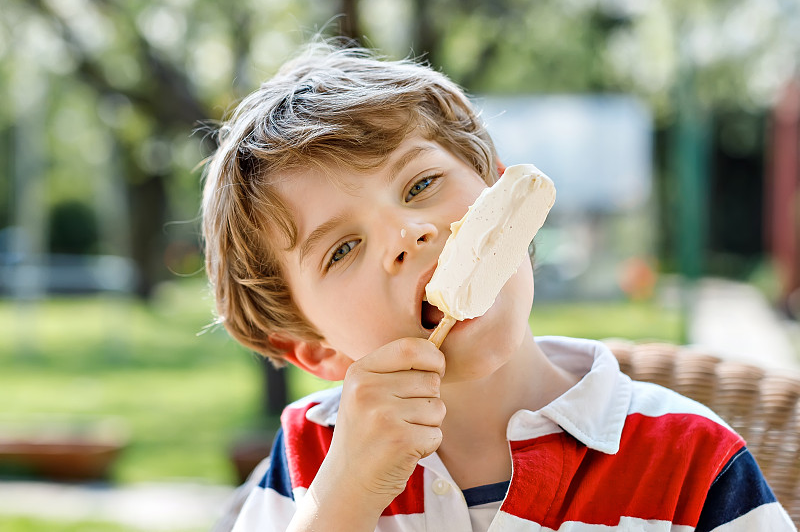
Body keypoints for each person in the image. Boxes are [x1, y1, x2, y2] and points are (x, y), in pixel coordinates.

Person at [201, 40, 795, 532]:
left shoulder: (691, 463)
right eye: (343, 248)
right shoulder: (312, 464)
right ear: (319, 350)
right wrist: (347, 493)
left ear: (502, 197)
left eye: (420, 184)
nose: (409, 233)